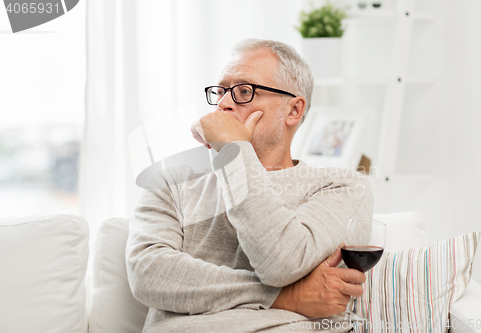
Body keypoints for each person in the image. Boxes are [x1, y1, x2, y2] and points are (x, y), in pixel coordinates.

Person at [125, 38, 373, 333]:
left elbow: (281, 261)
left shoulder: (342, 186)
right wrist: (283, 296)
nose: (224, 103)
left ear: (293, 110)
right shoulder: (170, 182)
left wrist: (234, 152)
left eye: (244, 91)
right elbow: (149, 274)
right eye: (221, 91)